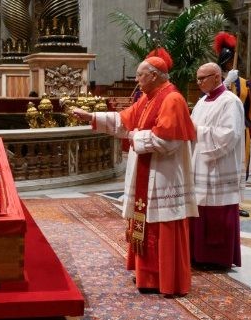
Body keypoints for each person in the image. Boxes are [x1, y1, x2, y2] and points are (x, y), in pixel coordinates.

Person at [73, 48, 198, 297]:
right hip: (148, 172)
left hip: (163, 175)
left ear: (154, 75)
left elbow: (168, 141)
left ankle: (166, 279)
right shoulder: (149, 98)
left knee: (162, 224)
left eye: (140, 75)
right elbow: (124, 120)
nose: (137, 79)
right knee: (146, 222)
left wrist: (134, 136)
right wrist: (91, 116)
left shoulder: (172, 99)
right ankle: (148, 276)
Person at [189, 62, 245, 270]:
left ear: (216, 77)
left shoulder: (230, 102)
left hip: (219, 165)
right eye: (197, 78)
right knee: (199, 210)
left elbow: (229, 134)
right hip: (199, 163)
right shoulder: (202, 101)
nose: (199, 82)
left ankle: (217, 258)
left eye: (202, 78)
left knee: (217, 212)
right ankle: (197, 254)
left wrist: (197, 130)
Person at [213, 31, 251, 217]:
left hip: (242, 131)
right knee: (222, 165)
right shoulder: (214, 82)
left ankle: (236, 203)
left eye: (231, 60)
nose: (229, 63)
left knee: (240, 165)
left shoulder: (244, 84)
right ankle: (219, 200)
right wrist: (225, 83)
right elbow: (208, 100)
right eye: (226, 61)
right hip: (220, 130)